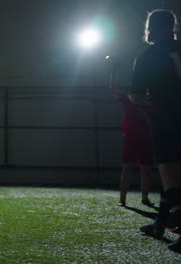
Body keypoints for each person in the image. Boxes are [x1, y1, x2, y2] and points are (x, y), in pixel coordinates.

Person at [129, 9, 181, 251]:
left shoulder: (147, 57)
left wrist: (148, 101)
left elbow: (136, 96)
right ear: (173, 26)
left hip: (168, 122)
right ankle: (160, 222)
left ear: (150, 28)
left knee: (171, 180)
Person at [108, 61, 154, 206]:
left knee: (145, 169)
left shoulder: (150, 104)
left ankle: (145, 198)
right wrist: (113, 71)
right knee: (127, 168)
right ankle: (122, 199)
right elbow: (113, 88)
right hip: (131, 138)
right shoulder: (130, 102)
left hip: (146, 139)